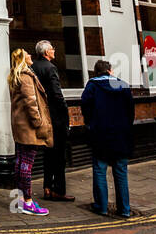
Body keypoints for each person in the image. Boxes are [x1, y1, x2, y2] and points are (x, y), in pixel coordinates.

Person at [81, 59, 135, 219]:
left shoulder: (92, 86)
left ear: (96, 72)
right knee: (121, 172)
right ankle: (124, 209)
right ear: (110, 71)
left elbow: (85, 108)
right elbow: (131, 110)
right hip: (121, 135)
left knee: (100, 170)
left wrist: (90, 125)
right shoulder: (123, 85)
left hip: (100, 135)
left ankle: (101, 206)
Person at [8, 48, 52, 215]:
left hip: (20, 126)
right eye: (27, 54)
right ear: (22, 59)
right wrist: (38, 122)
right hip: (28, 127)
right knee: (26, 164)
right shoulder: (25, 76)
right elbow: (31, 102)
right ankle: (27, 201)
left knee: (20, 162)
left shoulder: (15, 76)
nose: (30, 55)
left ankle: (20, 199)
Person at [31, 40, 74, 202]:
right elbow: (57, 94)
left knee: (48, 154)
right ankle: (58, 190)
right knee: (59, 156)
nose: (54, 51)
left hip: (41, 117)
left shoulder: (33, 67)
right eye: (52, 49)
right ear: (46, 52)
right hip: (55, 118)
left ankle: (47, 187)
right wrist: (65, 114)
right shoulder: (50, 68)